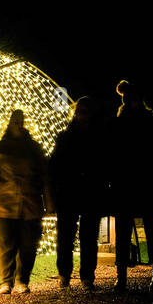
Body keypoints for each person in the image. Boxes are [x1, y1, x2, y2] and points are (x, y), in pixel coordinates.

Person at [0, 109, 54, 294]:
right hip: (4, 204)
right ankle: (6, 280)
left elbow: (45, 176)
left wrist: (48, 201)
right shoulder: (2, 148)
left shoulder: (33, 149)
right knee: (7, 243)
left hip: (29, 204)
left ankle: (22, 279)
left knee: (28, 244)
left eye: (20, 122)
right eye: (15, 122)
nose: (18, 125)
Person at [109, 80, 153, 292]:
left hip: (147, 181)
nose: (134, 102)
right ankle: (122, 275)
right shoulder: (119, 124)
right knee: (124, 231)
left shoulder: (149, 121)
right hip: (127, 182)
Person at [49, 95, 107, 290]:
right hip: (71, 192)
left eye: (85, 112)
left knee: (87, 236)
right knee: (67, 235)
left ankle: (86, 275)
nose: (82, 116)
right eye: (80, 112)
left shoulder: (94, 137)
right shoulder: (66, 137)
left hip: (87, 192)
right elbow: (55, 165)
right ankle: (65, 274)